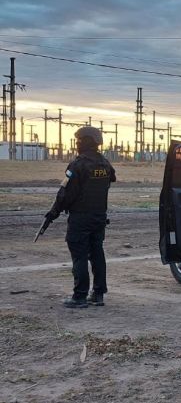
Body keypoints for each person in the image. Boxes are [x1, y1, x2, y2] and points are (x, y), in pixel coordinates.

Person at [45, 126, 116, 308]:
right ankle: (98, 294)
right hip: (99, 217)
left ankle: (80, 296)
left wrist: (53, 213)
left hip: (81, 219)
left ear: (86, 142)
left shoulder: (78, 165)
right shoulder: (105, 164)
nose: (76, 144)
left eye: (78, 141)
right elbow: (110, 180)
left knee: (80, 256)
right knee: (97, 254)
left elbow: (65, 194)